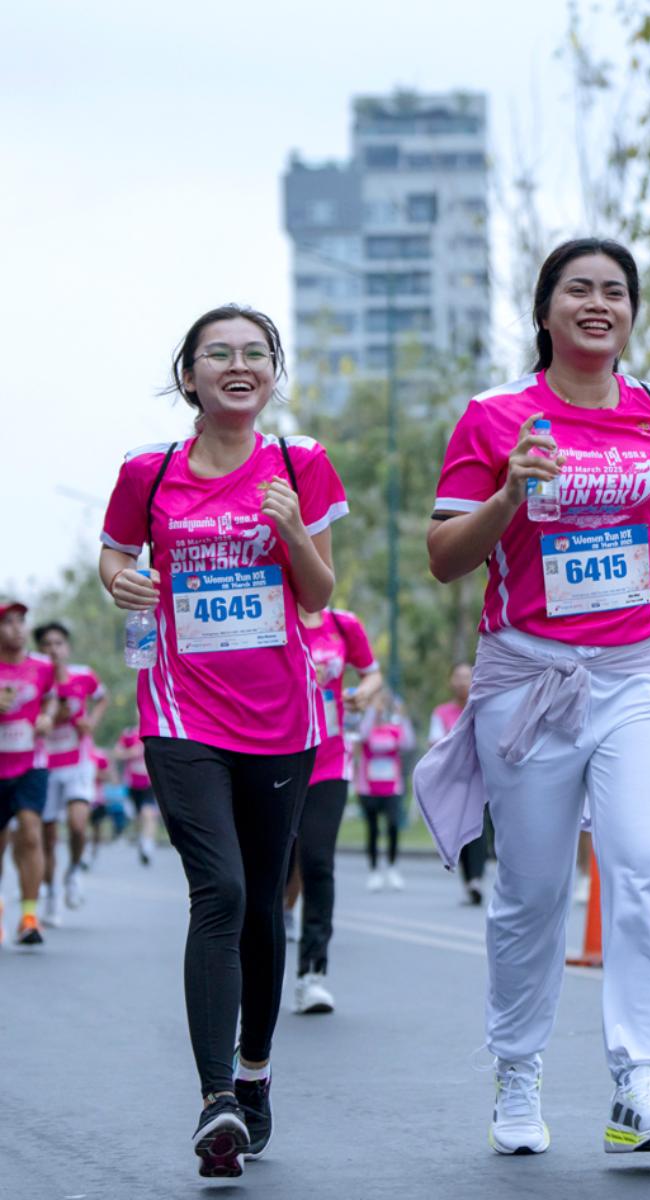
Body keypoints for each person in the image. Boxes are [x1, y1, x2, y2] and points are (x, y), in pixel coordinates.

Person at [415, 237, 650, 1157]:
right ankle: (518, 1070)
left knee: (643, 865)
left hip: (640, 670)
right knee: (532, 891)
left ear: (631, 313)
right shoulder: (495, 416)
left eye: (616, 292)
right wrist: (509, 494)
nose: (599, 304)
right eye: (579, 290)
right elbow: (444, 558)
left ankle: (643, 1080)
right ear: (545, 309)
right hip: (529, 679)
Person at [98, 303, 346, 1176]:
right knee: (222, 892)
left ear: (273, 373)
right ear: (189, 376)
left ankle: (255, 1072)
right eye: (219, 354)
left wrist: (290, 530)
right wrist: (124, 583)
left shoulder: (300, 464)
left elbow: (319, 594)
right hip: (181, 715)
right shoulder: (150, 471)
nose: (239, 365)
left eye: (255, 353)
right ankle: (215, 1102)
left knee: (263, 907)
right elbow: (115, 554)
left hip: (280, 720)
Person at [293, 605, 381, 1012]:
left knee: (317, 861)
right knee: (275, 869)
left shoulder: (343, 624)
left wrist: (364, 693)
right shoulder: (271, 612)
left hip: (329, 759)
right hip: (275, 757)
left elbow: (372, 673)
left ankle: (312, 974)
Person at [33, 622, 107, 919]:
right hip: (45, 766)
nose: (53, 649)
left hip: (78, 762)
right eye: (47, 644)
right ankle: (51, 893)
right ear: (39, 650)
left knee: (77, 825)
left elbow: (102, 698)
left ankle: (74, 871)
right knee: (48, 837)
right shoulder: (34, 679)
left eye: (58, 643)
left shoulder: (84, 675)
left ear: (67, 647)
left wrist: (92, 722)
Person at [0, 600, 57, 945]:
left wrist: (47, 716)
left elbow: (51, 697)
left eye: (21, 621)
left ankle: (30, 918)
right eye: (8, 622)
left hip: (32, 762)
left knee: (31, 832)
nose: (17, 628)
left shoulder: (42, 666)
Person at [429, 662, 488, 905]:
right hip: (454, 782)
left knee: (480, 829)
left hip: (482, 780)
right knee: (461, 830)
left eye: (467, 676)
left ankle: (476, 879)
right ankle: (468, 881)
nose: (463, 681)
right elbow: (435, 743)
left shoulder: (483, 708)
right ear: (451, 681)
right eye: (458, 676)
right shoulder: (441, 713)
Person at [356, 697, 413, 891]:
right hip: (368, 788)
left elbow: (408, 743)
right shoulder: (367, 729)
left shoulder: (393, 729)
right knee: (372, 829)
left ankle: (392, 867)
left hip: (392, 788)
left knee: (393, 826)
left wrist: (402, 715)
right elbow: (362, 734)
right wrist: (372, 709)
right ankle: (373, 871)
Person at [113, 725, 158, 865]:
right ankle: (142, 841)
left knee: (148, 813)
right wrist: (131, 752)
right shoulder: (128, 734)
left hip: (149, 782)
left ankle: (148, 845)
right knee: (139, 817)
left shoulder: (156, 730)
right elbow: (117, 753)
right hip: (132, 784)